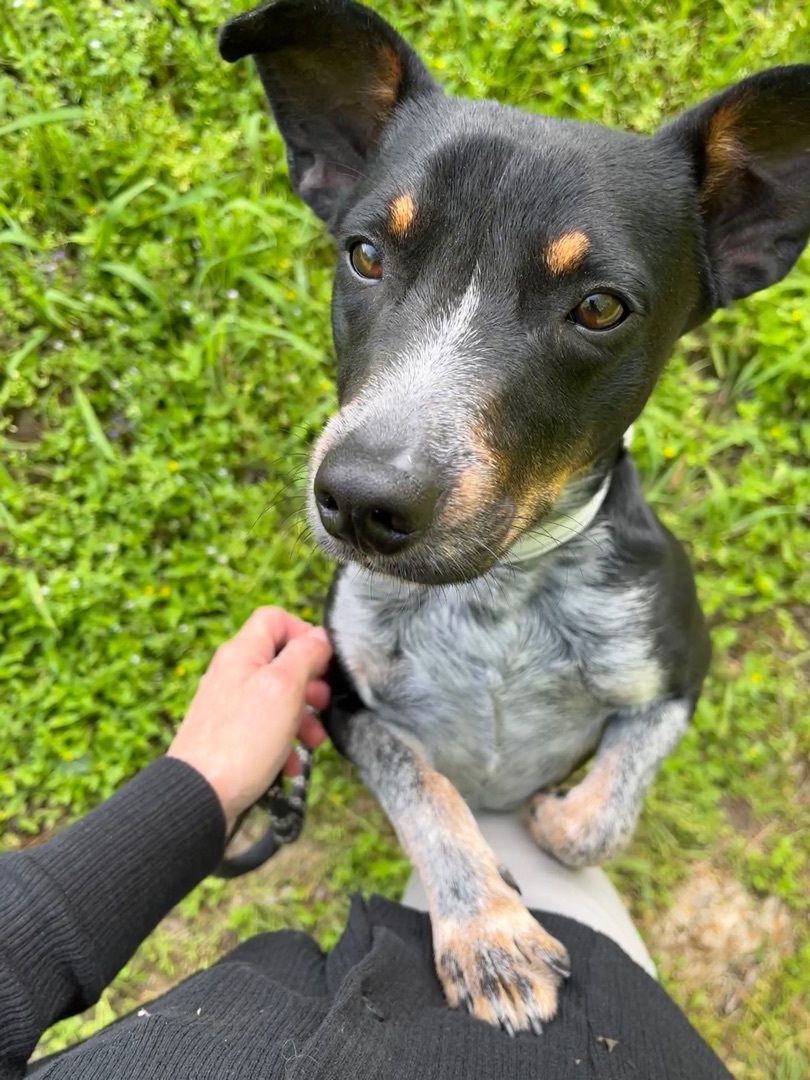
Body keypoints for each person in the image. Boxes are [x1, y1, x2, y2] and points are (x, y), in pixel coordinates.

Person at [1, 607, 731, 1079]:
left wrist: (201, 785)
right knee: (524, 834)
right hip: (583, 1038)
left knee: (500, 837)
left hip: (344, 976)